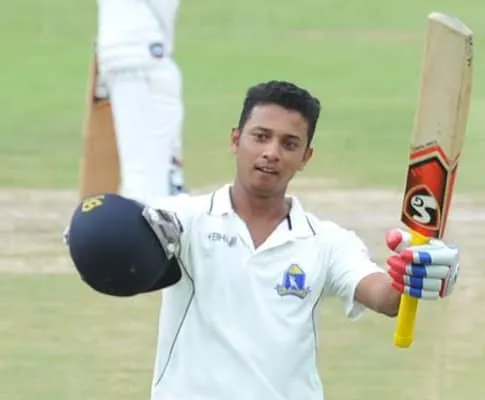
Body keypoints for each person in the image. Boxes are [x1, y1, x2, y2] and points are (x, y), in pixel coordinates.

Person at [65, 80, 460, 400]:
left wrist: (414, 272)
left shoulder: (325, 241)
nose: (271, 152)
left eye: (289, 143)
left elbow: (385, 297)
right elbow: (112, 233)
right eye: (260, 136)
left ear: (306, 157)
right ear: (235, 139)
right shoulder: (185, 220)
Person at [95, 0, 185, 202]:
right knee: (148, 170)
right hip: (147, 55)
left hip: (114, 54)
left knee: (141, 165)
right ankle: (144, 215)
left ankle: (138, 211)